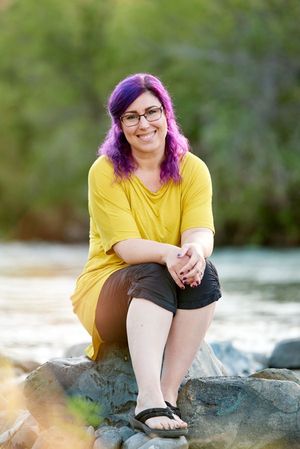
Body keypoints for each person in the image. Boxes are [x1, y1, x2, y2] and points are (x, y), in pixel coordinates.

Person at [71, 73, 221, 438]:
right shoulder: (105, 172)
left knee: (206, 272)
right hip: (109, 296)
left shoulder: (192, 169)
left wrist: (194, 253)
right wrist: (170, 254)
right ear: (120, 125)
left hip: (164, 290)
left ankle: (166, 395)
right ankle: (146, 399)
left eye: (151, 112)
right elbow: (125, 247)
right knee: (151, 271)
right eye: (131, 116)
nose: (144, 124)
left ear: (167, 115)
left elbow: (200, 232)